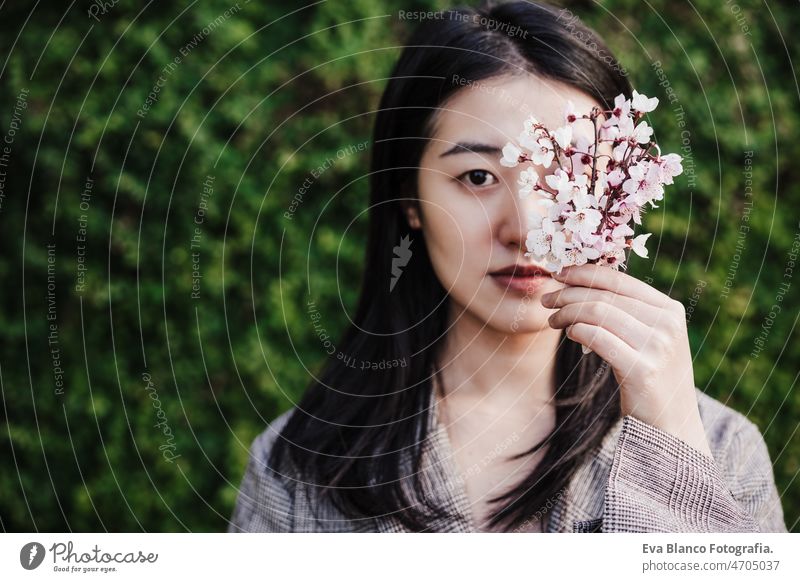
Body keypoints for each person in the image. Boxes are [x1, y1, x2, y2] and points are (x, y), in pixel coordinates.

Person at [228, 0, 786, 533]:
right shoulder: (301, 468)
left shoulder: (719, 448)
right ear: (409, 199)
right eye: (477, 177)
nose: (523, 226)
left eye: (567, 172)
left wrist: (673, 450)